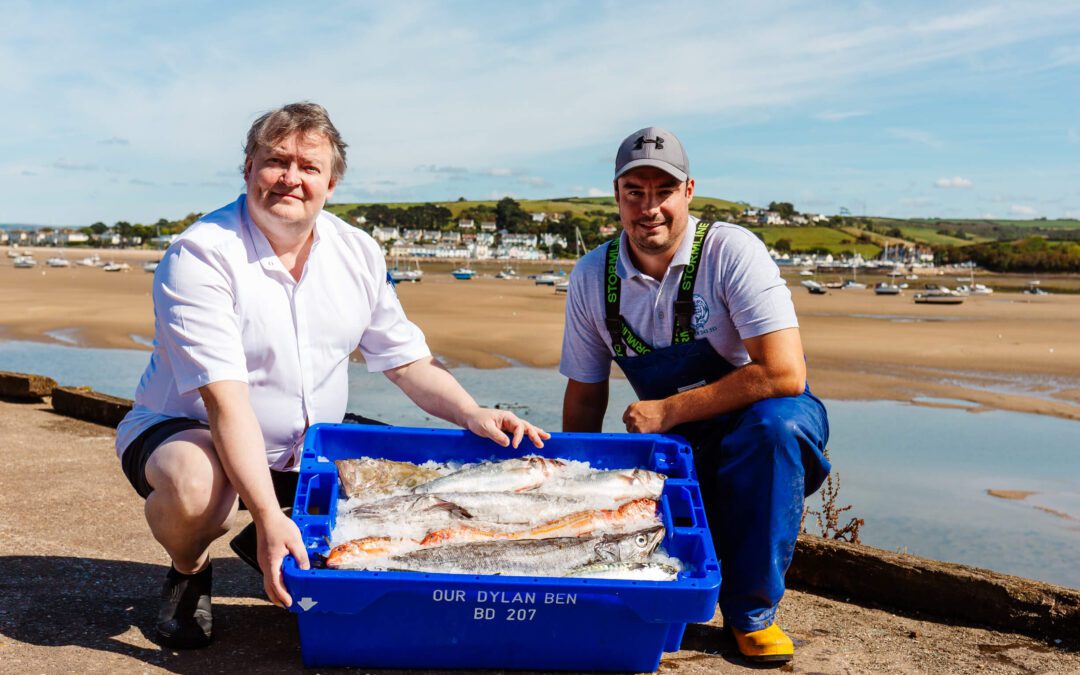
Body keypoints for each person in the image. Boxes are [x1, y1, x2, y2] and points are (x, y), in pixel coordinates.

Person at [115, 102, 549, 649]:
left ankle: (270, 533)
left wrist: (472, 411)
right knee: (197, 486)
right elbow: (226, 403)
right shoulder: (200, 255)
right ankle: (189, 566)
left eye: (309, 166)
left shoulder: (357, 251)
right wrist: (272, 514)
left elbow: (407, 363)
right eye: (276, 161)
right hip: (188, 432)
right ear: (248, 167)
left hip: (308, 444)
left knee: (418, 485)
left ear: (331, 181)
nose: (291, 178)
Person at [558, 127, 829, 663]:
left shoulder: (730, 251)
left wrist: (669, 409)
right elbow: (585, 396)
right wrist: (573, 483)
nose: (648, 206)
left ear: (689, 192)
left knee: (772, 431)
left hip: (765, 421)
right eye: (634, 191)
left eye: (663, 190)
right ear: (617, 196)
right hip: (680, 438)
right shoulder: (592, 276)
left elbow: (784, 373)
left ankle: (751, 614)